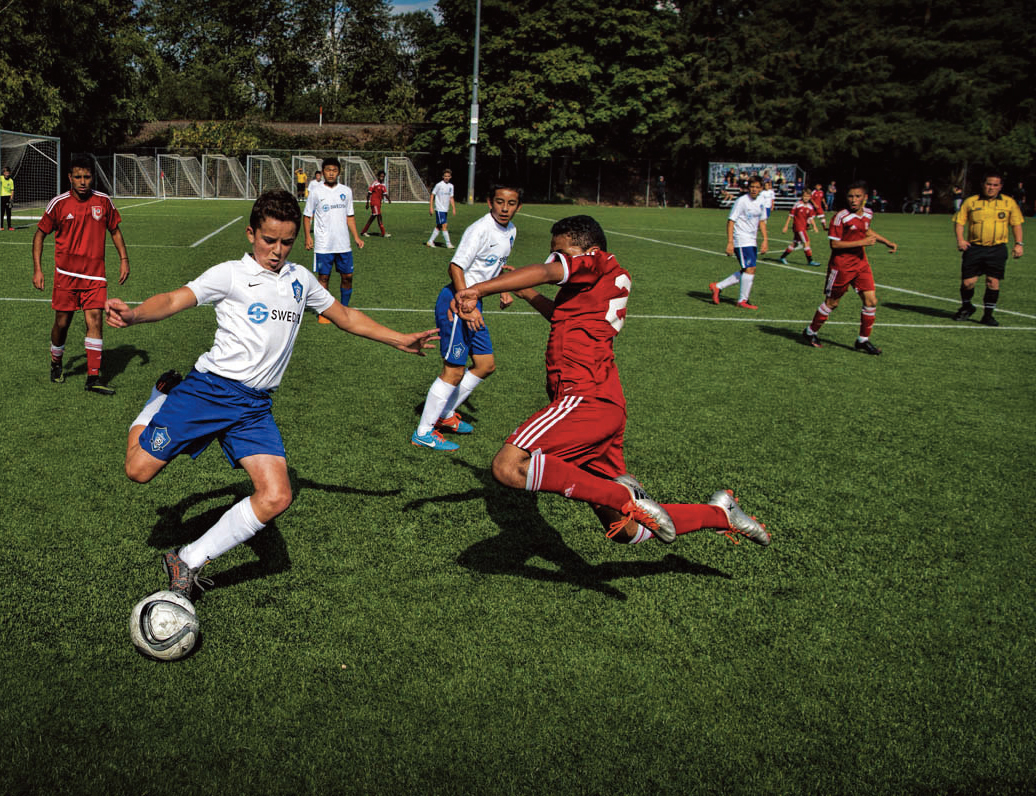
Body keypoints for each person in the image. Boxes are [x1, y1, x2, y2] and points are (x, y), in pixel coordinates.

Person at [104, 190, 438, 600]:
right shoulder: (229, 274)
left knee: (277, 495)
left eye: (286, 242)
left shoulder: (301, 280)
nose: (277, 251)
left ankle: (188, 560)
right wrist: (135, 314)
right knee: (137, 470)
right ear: (251, 234)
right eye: (269, 240)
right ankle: (158, 398)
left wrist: (398, 339)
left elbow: (344, 315)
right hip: (209, 391)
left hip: (254, 407)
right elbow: (176, 298)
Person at [452, 214, 770, 548]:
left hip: (583, 398)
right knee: (630, 530)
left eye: (559, 252)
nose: (553, 259)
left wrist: (476, 289)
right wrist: (525, 291)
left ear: (585, 250)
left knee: (508, 466)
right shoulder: (600, 280)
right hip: (605, 404)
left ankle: (624, 496)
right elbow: (562, 315)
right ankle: (720, 513)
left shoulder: (595, 262)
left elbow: (547, 273)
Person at [412, 183, 522, 451]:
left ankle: (445, 415)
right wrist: (465, 305)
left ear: (519, 206)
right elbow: (456, 266)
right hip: (457, 304)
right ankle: (424, 432)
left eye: (511, 203)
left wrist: (502, 289)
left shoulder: (510, 230)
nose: (505, 208)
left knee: (485, 365)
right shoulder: (480, 229)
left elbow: (490, 266)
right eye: (499, 202)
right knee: (454, 369)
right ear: (489, 202)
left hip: (475, 304)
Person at [32, 155, 129, 394]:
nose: (83, 181)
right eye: (78, 177)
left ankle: (93, 378)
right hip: (65, 275)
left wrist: (124, 260)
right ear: (70, 178)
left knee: (94, 319)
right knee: (62, 323)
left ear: (92, 177)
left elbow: (115, 231)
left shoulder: (103, 201)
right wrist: (38, 269)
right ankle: (56, 361)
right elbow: (39, 235)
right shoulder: (59, 203)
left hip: (95, 276)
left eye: (87, 177)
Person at [802, 181, 897, 354]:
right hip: (842, 266)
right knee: (832, 303)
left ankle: (862, 340)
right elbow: (835, 245)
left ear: (865, 198)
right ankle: (810, 332)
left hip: (861, 263)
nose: (853, 200)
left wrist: (886, 242)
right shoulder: (840, 217)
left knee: (871, 301)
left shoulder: (868, 213)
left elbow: (866, 230)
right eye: (850, 196)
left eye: (857, 196)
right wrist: (863, 242)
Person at [951, 172, 1024, 327]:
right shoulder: (971, 202)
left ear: (1000, 187)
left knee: (992, 282)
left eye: (995, 185)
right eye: (989, 184)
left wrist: (1019, 244)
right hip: (974, 248)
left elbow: (1016, 224)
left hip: (997, 249)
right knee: (968, 283)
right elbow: (959, 222)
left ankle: (988, 315)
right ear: (983, 184)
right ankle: (967, 306)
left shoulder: (1009, 203)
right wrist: (960, 240)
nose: (991, 188)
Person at [303, 157, 364, 319]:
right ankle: (324, 312)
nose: (331, 173)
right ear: (323, 172)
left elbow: (349, 216)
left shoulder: (346, 191)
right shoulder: (316, 192)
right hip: (323, 244)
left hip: (343, 244)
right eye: (328, 170)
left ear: (339, 172)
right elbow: (307, 216)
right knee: (323, 277)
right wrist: (308, 236)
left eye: (334, 170)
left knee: (348, 277)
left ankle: (344, 310)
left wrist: (356, 237)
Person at [709, 174, 769, 309]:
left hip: (752, 240)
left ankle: (717, 287)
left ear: (761, 189)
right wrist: (730, 242)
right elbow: (731, 221)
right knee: (750, 269)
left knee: (747, 269)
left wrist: (765, 240)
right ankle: (742, 301)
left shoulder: (762, 202)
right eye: (752, 187)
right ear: (748, 188)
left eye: (757, 187)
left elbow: (762, 222)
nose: (754, 189)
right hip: (741, 239)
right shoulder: (742, 201)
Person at [779, 196, 823, 266]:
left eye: (808, 196)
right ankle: (810, 261)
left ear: (810, 198)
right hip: (798, 227)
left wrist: (814, 226)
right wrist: (786, 226)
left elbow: (811, 218)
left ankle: (782, 257)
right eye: (805, 196)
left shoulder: (810, 206)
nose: (806, 198)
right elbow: (790, 215)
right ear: (802, 196)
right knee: (806, 242)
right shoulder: (797, 204)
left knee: (795, 243)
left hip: (803, 227)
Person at [426, 169, 457, 248]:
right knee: (444, 225)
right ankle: (448, 243)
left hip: (445, 209)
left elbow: (451, 197)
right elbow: (432, 195)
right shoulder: (439, 185)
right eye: (445, 176)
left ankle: (430, 241)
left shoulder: (451, 186)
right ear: (443, 176)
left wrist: (453, 208)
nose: (447, 177)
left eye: (448, 176)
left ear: (450, 177)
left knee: (439, 226)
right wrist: (431, 207)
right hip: (439, 209)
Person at [361, 170, 391, 238]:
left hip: (378, 204)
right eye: (381, 176)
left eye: (383, 177)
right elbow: (369, 193)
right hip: (374, 203)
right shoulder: (375, 183)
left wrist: (389, 200)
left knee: (375, 217)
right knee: (377, 216)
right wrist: (367, 203)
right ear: (378, 176)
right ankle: (382, 233)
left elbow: (385, 194)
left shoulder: (383, 185)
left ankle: (364, 231)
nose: (382, 178)